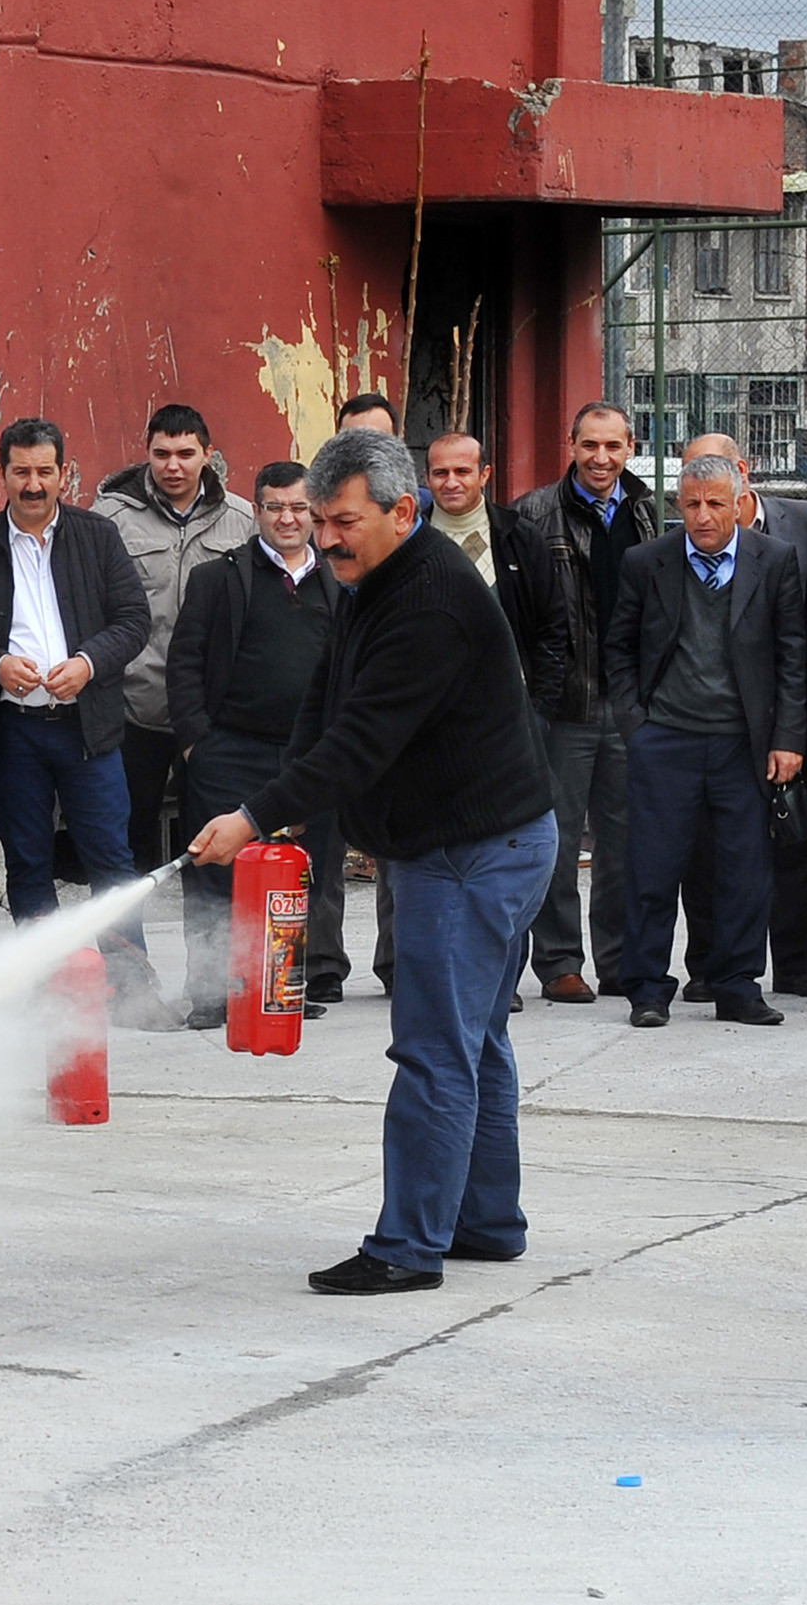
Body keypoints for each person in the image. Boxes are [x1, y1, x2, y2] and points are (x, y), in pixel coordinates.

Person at [190, 429, 559, 1295]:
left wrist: (251, 815)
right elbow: (323, 699)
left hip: (472, 853)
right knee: (474, 1040)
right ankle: (485, 1222)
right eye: (318, 520)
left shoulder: (429, 600)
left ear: (402, 510)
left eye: (342, 522)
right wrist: (279, 802)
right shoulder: (370, 578)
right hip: (471, 841)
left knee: (433, 1049)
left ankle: (407, 1246)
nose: (325, 538)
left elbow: (358, 742)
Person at [0, 418, 175, 1026]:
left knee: (112, 859)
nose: (34, 484)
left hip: (88, 727)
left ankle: (132, 988)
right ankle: (52, 990)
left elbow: (132, 619)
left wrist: (88, 663)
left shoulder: (98, 537)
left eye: (45, 471)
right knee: (28, 862)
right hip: (12, 731)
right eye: (22, 472)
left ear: (64, 473)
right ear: (2, 474)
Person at [363, 432, 573, 1006]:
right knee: (415, 856)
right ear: (424, 479)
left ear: (485, 474)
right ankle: (404, 967)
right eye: (439, 473)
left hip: (508, 729)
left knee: (503, 855)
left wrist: (537, 712)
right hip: (424, 731)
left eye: (463, 471)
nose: (451, 482)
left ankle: (500, 979)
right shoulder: (406, 540)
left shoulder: (520, 538)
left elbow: (553, 631)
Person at [604, 456, 807, 1028]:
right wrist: (637, 726)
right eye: (692, 504)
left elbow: (792, 655)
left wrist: (788, 737)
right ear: (678, 505)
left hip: (745, 744)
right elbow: (619, 648)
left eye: (716, 503)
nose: (703, 516)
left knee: (745, 872)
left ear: (739, 504)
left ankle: (737, 987)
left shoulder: (775, 560)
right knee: (653, 868)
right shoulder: (647, 562)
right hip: (666, 740)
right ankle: (647, 989)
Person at [165, 461, 345, 1029]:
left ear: (314, 512)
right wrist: (197, 744)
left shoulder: (341, 580)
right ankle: (211, 993)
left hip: (308, 758)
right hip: (228, 752)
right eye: (275, 507)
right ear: (257, 511)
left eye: (298, 507)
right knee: (215, 875)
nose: (287, 518)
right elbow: (184, 663)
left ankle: (278, 988)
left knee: (297, 877)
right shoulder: (217, 579)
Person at [515, 401, 656, 1004]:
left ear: (630, 449)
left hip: (629, 705)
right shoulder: (534, 513)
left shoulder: (647, 511)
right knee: (559, 839)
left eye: (613, 446)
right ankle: (559, 963)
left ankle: (618, 961)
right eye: (590, 445)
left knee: (624, 844)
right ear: (570, 445)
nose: (601, 458)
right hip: (565, 704)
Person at [677, 433, 807, 1001]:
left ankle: (797, 962)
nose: (702, 491)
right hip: (714, 716)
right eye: (692, 478)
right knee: (706, 848)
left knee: (794, 840)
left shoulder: (806, 523)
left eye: (714, 475)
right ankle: (708, 965)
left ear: (742, 472)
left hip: (789, 710)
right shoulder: (684, 540)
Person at [92, 404, 255, 875]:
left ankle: (207, 926)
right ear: (147, 452)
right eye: (162, 454)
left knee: (211, 840)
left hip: (209, 711)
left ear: (208, 454)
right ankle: (130, 927)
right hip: (132, 706)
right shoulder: (110, 518)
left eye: (186, 454)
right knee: (126, 840)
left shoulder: (242, 519)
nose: (173, 466)